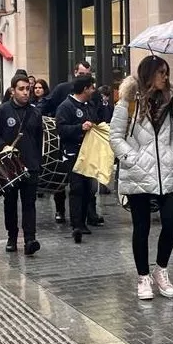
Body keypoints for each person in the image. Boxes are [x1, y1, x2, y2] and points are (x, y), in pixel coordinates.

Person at [111, 55, 173, 299]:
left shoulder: (172, 101)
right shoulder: (128, 102)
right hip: (137, 173)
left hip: (166, 170)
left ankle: (160, 269)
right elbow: (115, 137)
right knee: (141, 228)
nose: (166, 77)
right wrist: (132, 158)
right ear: (149, 74)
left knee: (172, 223)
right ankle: (143, 277)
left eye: (167, 72)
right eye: (161, 72)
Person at [0, 74, 44, 255]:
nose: (26, 92)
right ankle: (12, 237)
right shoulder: (2, 111)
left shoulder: (35, 112)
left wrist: (38, 162)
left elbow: (39, 139)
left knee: (30, 203)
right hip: (9, 166)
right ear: (12, 91)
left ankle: (30, 239)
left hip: (31, 165)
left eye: (28, 89)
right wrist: (3, 146)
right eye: (21, 89)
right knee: (10, 203)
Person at [55, 75, 100, 242]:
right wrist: (79, 128)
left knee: (89, 188)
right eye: (91, 87)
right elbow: (61, 129)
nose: (93, 91)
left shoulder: (90, 105)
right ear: (84, 89)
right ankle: (77, 224)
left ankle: (84, 219)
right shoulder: (65, 107)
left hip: (88, 153)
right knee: (77, 188)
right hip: (73, 153)